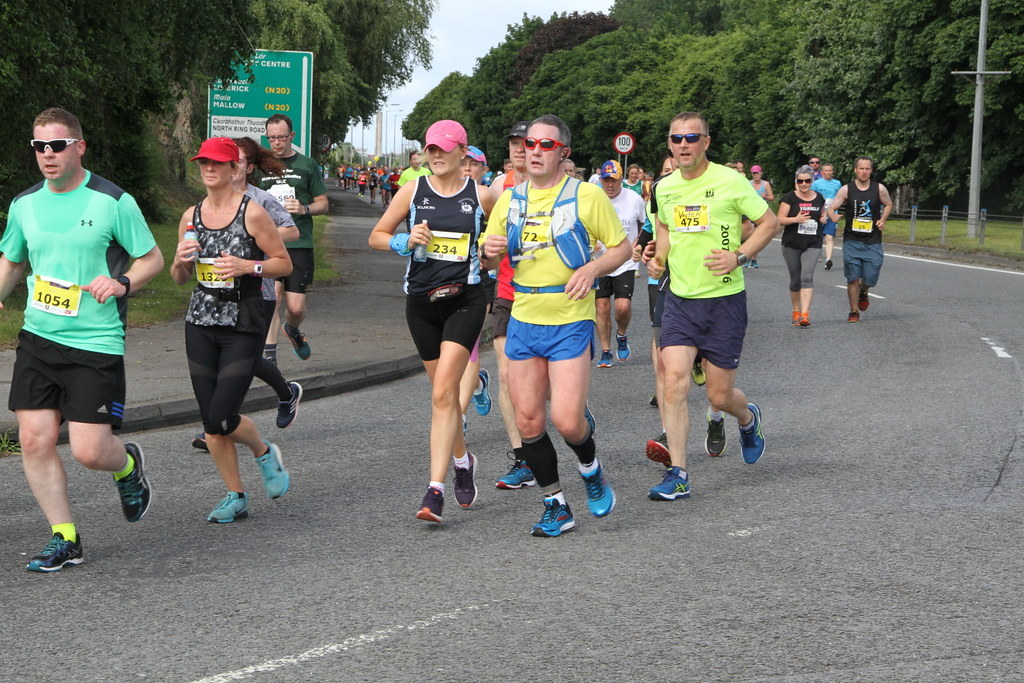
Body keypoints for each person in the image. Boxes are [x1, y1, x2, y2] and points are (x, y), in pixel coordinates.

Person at [0, 108, 164, 571]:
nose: (47, 155)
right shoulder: (24, 205)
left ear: (79, 147)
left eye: (56, 146)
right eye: (39, 147)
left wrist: (122, 284)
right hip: (38, 337)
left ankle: (128, 466)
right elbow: (13, 261)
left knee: (91, 451)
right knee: (34, 439)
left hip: (95, 342)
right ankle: (64, 536)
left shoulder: (112, 201)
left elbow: (151, 258)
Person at [481, 114, 630, 537]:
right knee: (528, 421)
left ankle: (591, 468)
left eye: (545, 145)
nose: (534, 151)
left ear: (563, 153)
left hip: (569, 316)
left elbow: (622, 248)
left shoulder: (586, 196)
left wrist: (593, 268)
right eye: (529, 144)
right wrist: (489, 252)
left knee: (566, 420)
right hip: (524, 315)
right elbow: (489, 258)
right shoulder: (509, 200)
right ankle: (556, 505)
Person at [646, 111, 778, 501]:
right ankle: (679, 473)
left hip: (724, 302)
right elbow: (666, 231)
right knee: (673, 383)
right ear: (670, 144)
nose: (683, 145)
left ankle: (747, 417)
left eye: (691, 137)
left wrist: (739, 256)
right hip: (680, 300)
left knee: (719, 397)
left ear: (706, 141)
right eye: (676, 138)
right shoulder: (663, 188)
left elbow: (769, 223)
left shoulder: (730, 180)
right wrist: (657, 258)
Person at [369, 120, 496, 524]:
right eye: (430, 149)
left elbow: (508, 237)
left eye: (443, 149)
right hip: (421, 303)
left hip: (466, 300)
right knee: (443, 400)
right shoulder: (413, 190)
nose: (436, 156)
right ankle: (463, 461)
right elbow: (376, 235)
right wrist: (402, 242)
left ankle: (434, 490)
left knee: (444, 392)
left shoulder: (482, 195)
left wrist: (494, 252)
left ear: (463, 152)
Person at [171, 137, 293, 523]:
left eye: (217, 163)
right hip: (201, 318)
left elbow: (283, 264)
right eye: (203, 163)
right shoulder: (190, 216)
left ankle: (262, 451)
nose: (209, 169)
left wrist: (248, 267)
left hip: (243, 320)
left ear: (231, 169)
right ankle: (235, 495)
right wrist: (179, 262)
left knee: (221, 417)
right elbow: (179, 278)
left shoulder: (252, 212)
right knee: (211, 421)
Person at [259, 114, 328, 362]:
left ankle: (293, 330)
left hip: (299, 242)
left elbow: (323, 204)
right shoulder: (260, 165)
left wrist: (304, 209)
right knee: (273, 297)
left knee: (296, 308)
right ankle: (270, 357)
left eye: (282, 137)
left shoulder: (307, 165)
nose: (277, 143)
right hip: (269, 242)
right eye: (272, 138)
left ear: (292, 136)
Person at [488, 121, 532, 490]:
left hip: (548, 295)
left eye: (527, 142)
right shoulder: (495, 190)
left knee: (542, 381)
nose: (520, 148)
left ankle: (575, 413)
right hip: (505, 291)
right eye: (515, 142)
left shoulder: (560, 189)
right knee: (505, 373)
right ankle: (522, 459)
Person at [825, 156, 892, 323]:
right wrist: (832, 215)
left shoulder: (879, 188)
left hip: (873, 240)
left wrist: (883, 219)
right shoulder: (847, 189)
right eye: (861, 168)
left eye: (867, 169)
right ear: (855, 170)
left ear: (871, 170)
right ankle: (853, 311)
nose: (864, 172)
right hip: (852, 240)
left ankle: (865, 289)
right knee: (853, 276)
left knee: (870, 277)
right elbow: (832, 207)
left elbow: (888, 204)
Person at [594, 160, 646, 367]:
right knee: (602, 306)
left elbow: (645, 224)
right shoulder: (594, 199)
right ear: (601, 180)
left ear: (621, 179)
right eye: (606, 180)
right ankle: (606, 351)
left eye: (614, 180)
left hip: (625, 261)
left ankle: (622, 334)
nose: (610, 185)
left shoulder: (634, 199)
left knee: (622, 307)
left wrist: (639, 242)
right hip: (600, 261)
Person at [777, 166, 827, 326]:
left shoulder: (819, 197)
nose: (804, 184)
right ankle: (796, 310)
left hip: (812, 243)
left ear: (812, 181)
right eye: (800, 181)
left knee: (807, 277)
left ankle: (805, 315)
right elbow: (779, 219)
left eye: (807, 180)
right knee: (795, 281)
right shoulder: (789, 198)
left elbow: (822, 213)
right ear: (796, 181)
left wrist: (824, 218)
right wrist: (795, 219)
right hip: (792, 243)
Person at [811, 162, 842, 269]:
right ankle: (815, 255)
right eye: (826, 171)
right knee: (818, 237)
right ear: (822, 172)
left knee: (829, 237)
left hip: (832, 214)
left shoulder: (837, 183)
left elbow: (840, 198)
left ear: (832, 172)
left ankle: (828, 260)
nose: (828, 172)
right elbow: (813, 198)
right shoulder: (816, 184)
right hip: (819, 214)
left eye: (830, 170)